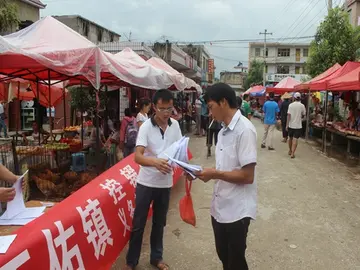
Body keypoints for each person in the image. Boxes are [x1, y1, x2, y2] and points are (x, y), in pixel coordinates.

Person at [193, 83, 257, 270]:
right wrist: (203, 172)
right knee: (223, 255)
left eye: (211, 107)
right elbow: (225, 167)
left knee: (235, 261)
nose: (210, 113)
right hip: (220, 207)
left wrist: (215, 174)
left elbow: (247, 175)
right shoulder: (222, 132)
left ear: (223, 102)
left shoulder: (244, 130)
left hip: (237, 211)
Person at [124, 89, 182, 270]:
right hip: (146, 183)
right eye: (162, 108)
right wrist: (155, 162)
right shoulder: (146, 127)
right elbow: (138, 157)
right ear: (154, 108)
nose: (166, 113)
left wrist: (186, 167)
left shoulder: (175, 126)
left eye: (169, 108)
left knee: (159, 223)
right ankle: (131, 262)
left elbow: (180, 150)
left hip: (165, 184)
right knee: (138, 224)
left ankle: (156, 258)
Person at [287, 92, 306, 159]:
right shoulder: (302, 106)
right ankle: (292, 153)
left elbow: (288, 115)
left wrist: (287, 125)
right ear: (300, 98)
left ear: (294, 98)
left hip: (291, 125)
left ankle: (290, 150)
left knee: (290, 138)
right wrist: (300, 117)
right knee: (295, 139)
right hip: (298, 126)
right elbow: (303, 115)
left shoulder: (290, 105)